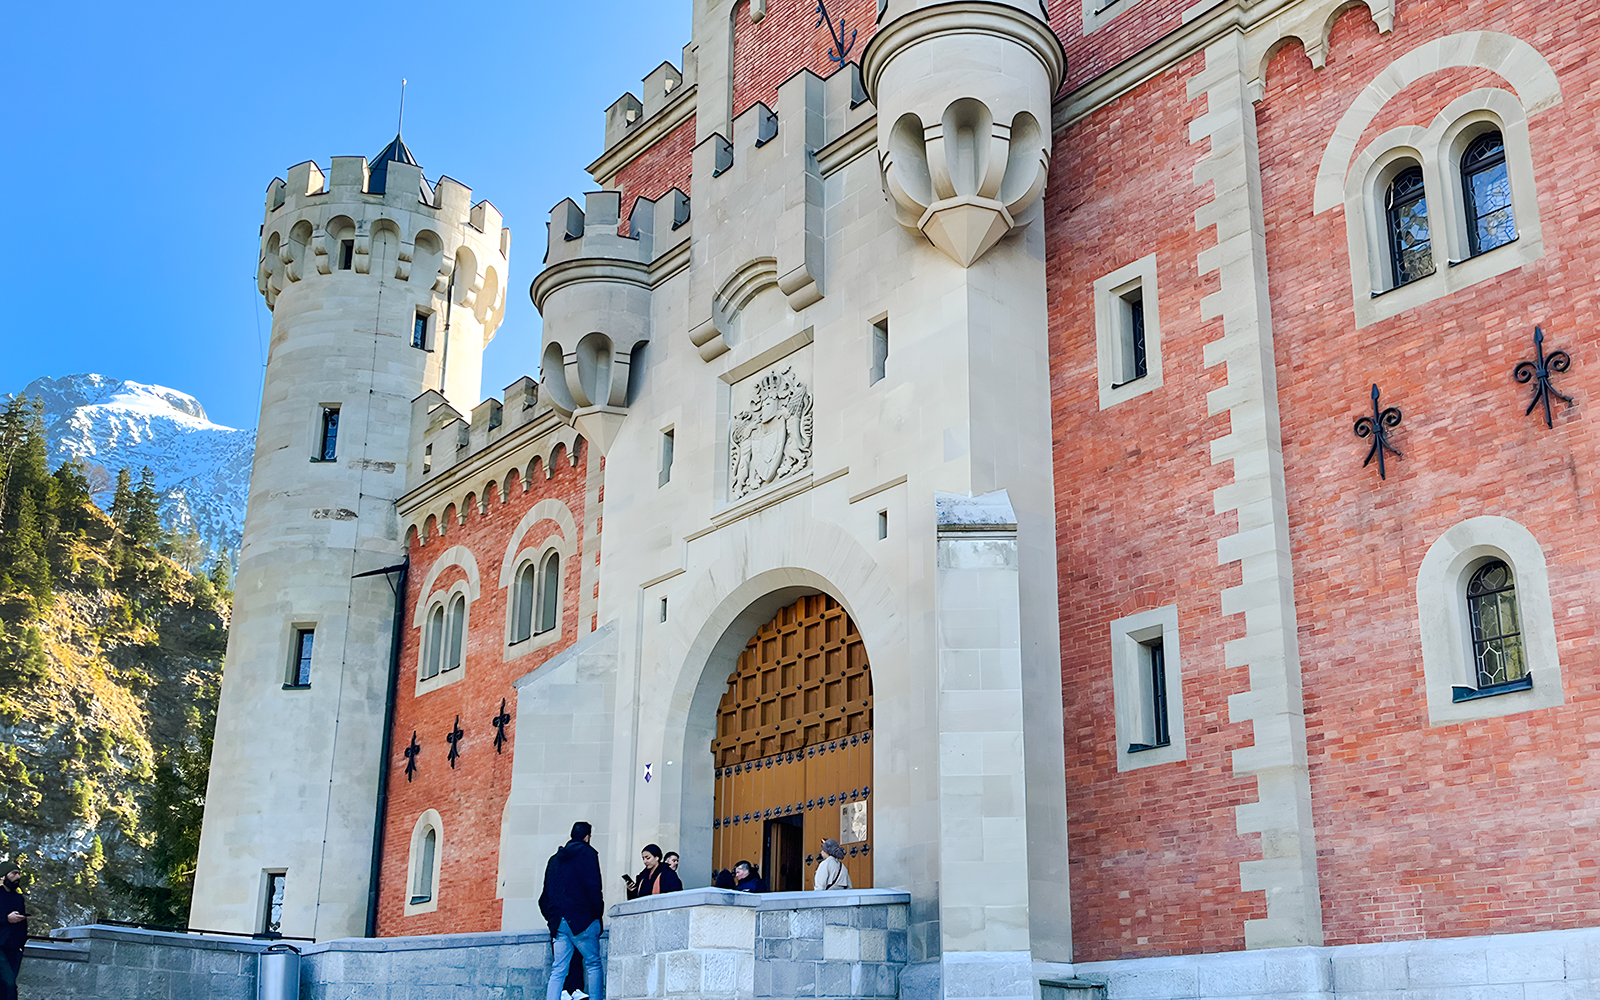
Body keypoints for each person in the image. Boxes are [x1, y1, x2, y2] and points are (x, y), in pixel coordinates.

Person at [539, 822, 605, 1000]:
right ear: (587, 837)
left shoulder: (554, 859)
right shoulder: (589, 854)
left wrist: (552, 919)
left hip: (559, 921)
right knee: (594, 964)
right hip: (583, 919)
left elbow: (545, 896)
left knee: (558, 969)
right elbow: (594, 889)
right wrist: (597, 917)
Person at [0, 862, 26, 1000]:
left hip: (15, 948)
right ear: (4, 876)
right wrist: (6, 918)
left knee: (8, 983)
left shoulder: (18, 898)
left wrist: (21, 944)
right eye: (13, 873)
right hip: (0, 946)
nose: (17, 877)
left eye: (19, 873)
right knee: (9, 983)